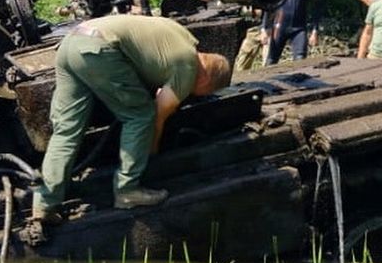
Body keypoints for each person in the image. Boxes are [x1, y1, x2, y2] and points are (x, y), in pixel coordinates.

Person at [31, 14, 232, 222]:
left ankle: (45, 204)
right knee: (140, 115)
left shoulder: (184, 37)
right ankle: (127, 191)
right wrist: (152, 153)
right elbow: (158, 115)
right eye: (204, 92)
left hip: (70, 43)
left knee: (66, 131)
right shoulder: (188, 67)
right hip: (98, 48)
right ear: (207, 79)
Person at [235, 0, 278, 72]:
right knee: (242, 62)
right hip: (254, 28)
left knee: (268, 64)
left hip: (271, 29)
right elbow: (246, 7)